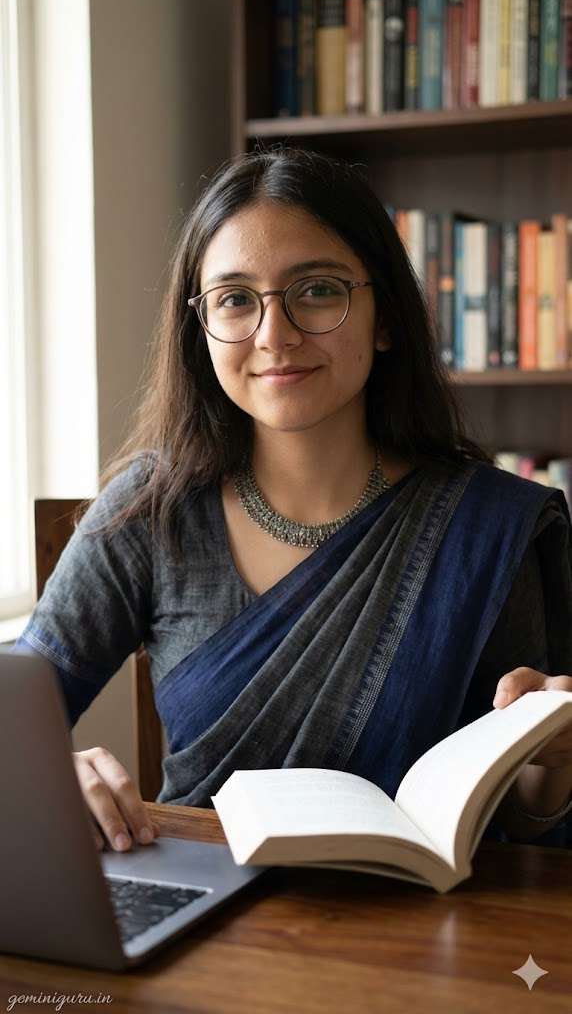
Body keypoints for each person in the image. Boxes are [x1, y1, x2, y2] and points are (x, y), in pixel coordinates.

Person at [17, 147, 572, 854]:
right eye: (234, 299)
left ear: (384, 316)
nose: (274, 336)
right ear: (201, 328)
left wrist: (549, 764)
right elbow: (17, 723)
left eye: (316, 290)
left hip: (426, 915)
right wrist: (48, 772)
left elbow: (526, 827)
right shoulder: (152, 509)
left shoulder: (486, 530)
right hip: (198, 903)